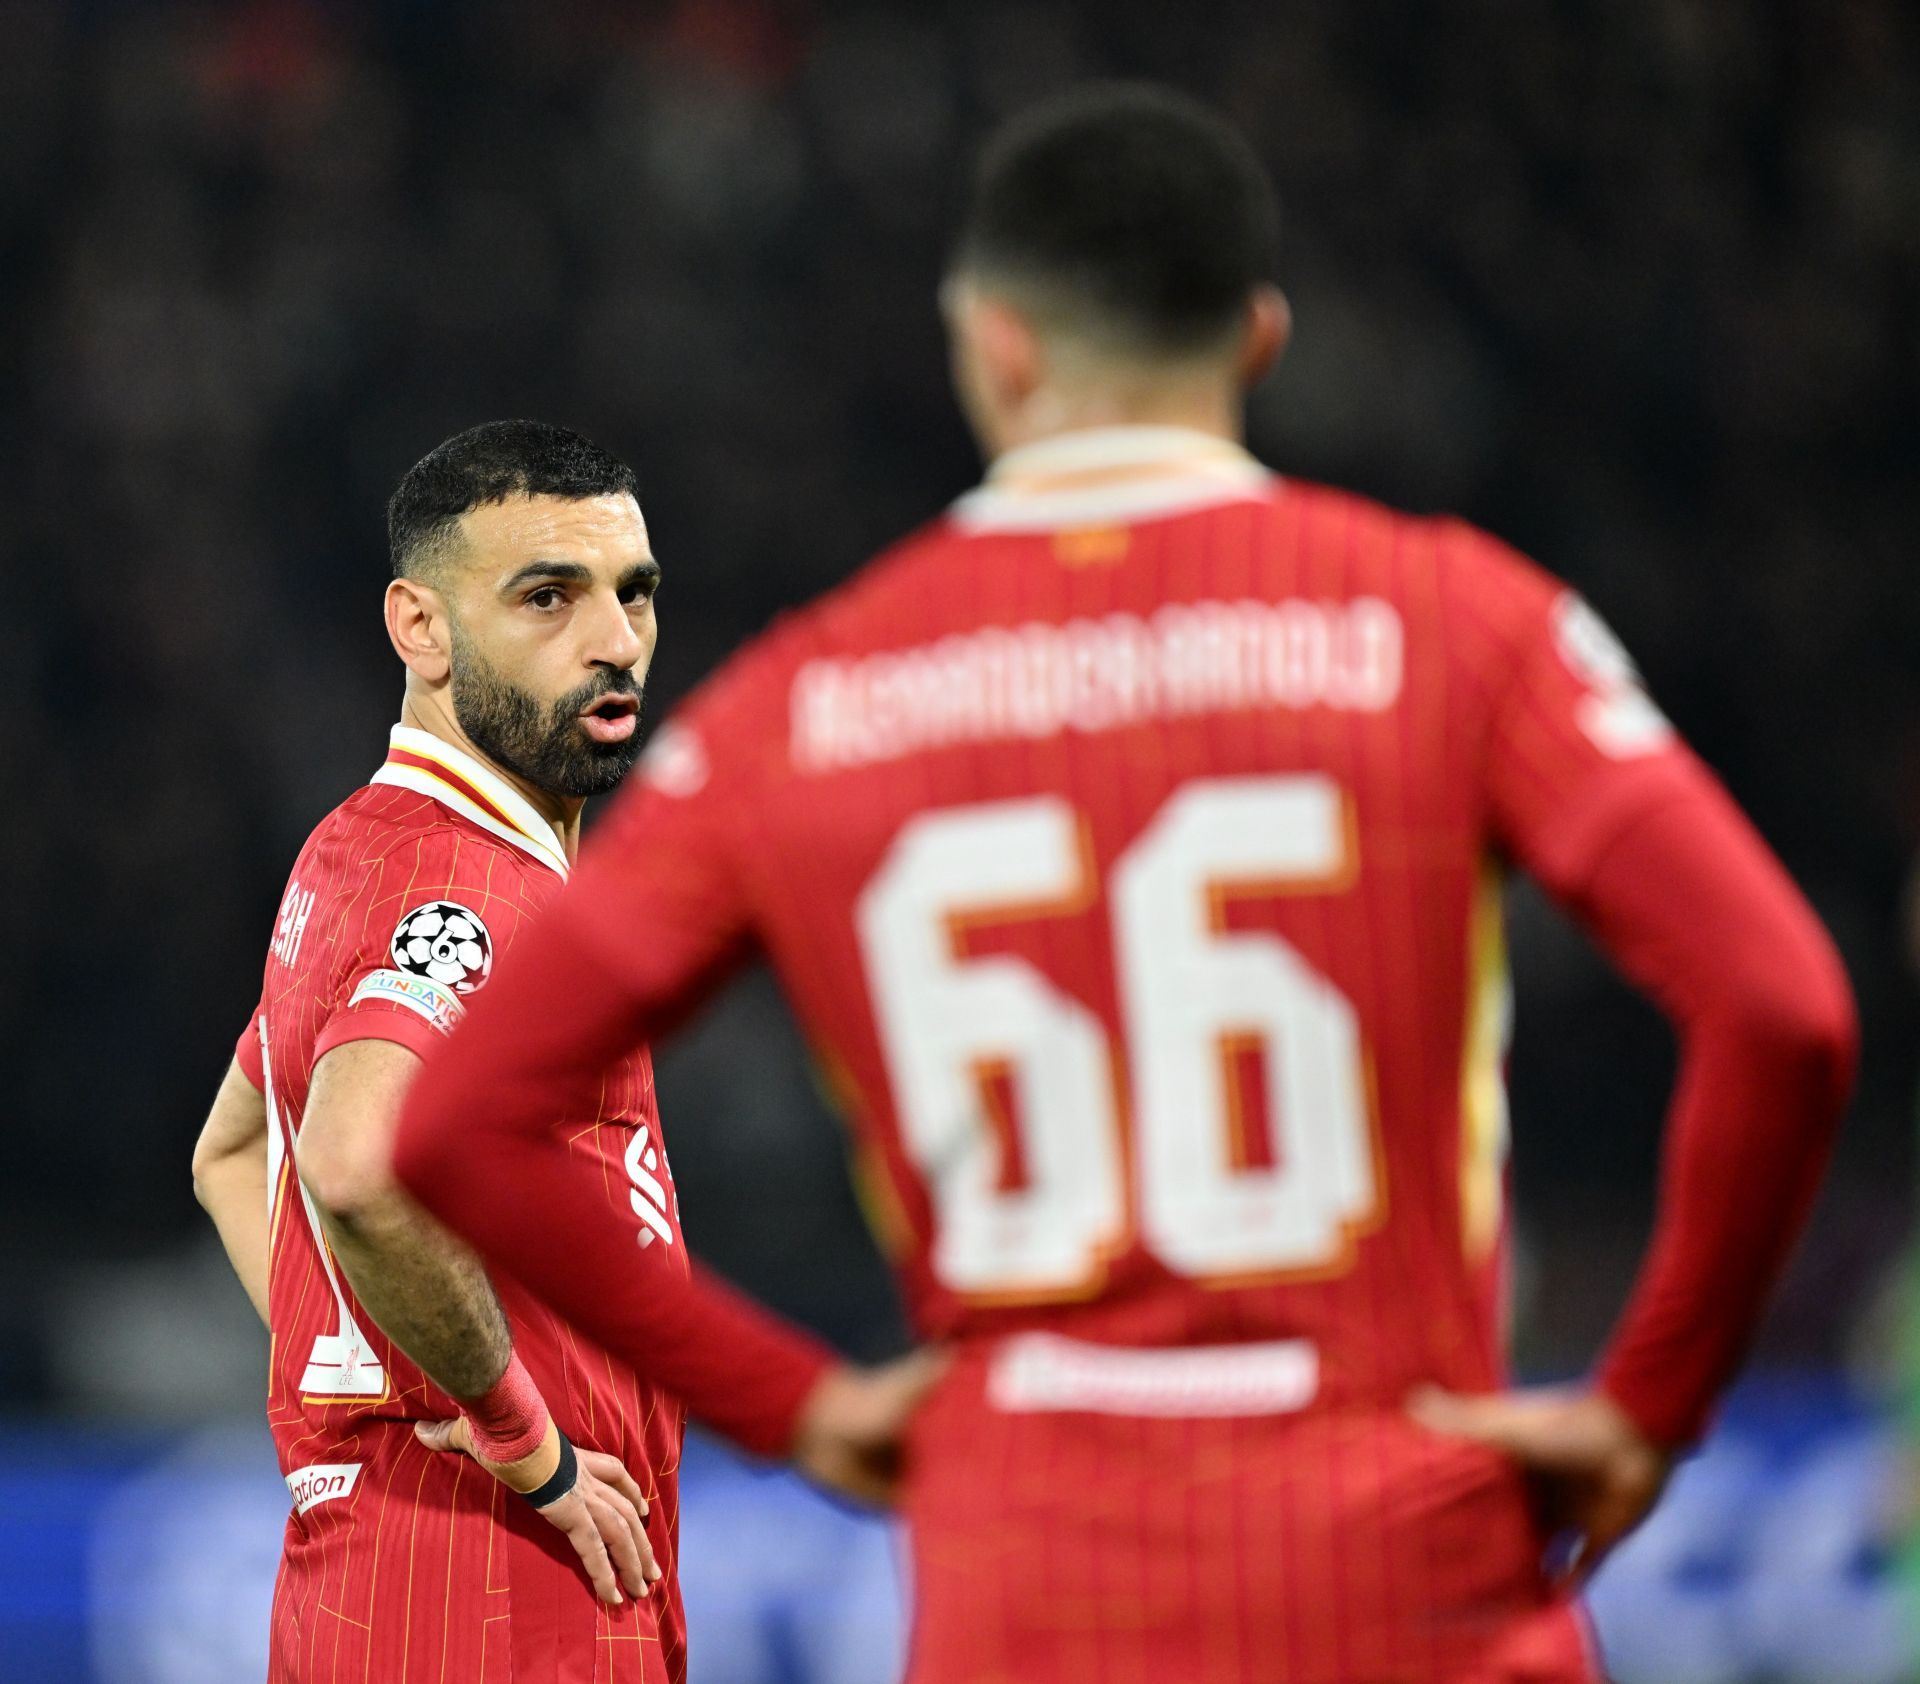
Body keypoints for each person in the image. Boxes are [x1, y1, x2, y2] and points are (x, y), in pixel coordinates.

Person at [390, 91, 1858, 1683]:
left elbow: (464, 1122)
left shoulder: (805, 703)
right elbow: (1783, 1008)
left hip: (1036, 1591)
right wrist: (1654, 1399)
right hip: (1410, 1571)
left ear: (993, 344)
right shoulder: (1453, 621)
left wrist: (794, 1406)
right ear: (1263, 336)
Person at [191, 419, 929, 1684]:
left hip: (383, 1582)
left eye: (632, 595)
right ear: (420, 628)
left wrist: (371, 1381)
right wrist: (512, 1434)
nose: (614, 642)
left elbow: (235, 1148)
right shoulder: (466, 887)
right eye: (547, 597)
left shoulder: (356, 848)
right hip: (501, 1589)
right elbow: (359, 1167)